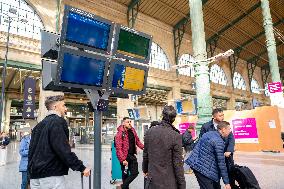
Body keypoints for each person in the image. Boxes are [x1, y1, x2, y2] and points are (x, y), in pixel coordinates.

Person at [28, 95, 91, 189]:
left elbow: (31, 152)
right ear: (55, 107)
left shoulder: (39, 126)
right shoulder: (57, 122)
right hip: (51, 176)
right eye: (63, 105)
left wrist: (29, 176)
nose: (65, 109)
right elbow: (63, 150)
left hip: (35, 177)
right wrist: (81, 167)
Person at [143, 105, 186, 189]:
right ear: (173, 119)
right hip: (168, 182)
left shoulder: (150, 132)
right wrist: (182, 184)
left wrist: (145, 170)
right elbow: (177, 164)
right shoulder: (175, 136)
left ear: (162, 115)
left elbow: (145, 155)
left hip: (152, 181)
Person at [186, 121, 232, 189]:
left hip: (197, 164)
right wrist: (227, 183)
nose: (230, 131)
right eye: (229, 129)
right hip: (203, 169)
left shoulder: (209, 133)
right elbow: (221, 163)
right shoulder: (218, 141)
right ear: (223, 130)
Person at [200, 108, 235, 173]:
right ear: (214, 117)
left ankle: (229, 183)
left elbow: (231, 139)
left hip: (225, 154)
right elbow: (202, 141)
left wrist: (229, 150)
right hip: (212, 156)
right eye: (220, 116)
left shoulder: (226, 124)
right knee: (214, 175)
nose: (222, 117)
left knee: (230, 174)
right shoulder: (206, 126)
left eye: (223, 115)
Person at [115, 117, 144, 189]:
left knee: (135, 173)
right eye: (128, 122)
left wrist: (143, 147)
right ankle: (125, 187)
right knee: (125, 175)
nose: (130, 123)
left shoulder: (132, 130)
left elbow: (137, 141)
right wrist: (123, 159)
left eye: (130, 121)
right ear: (123, 123)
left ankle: (122, 186)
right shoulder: (120, 133)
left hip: (132, 155)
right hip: (125, 157)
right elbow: (118, 148)